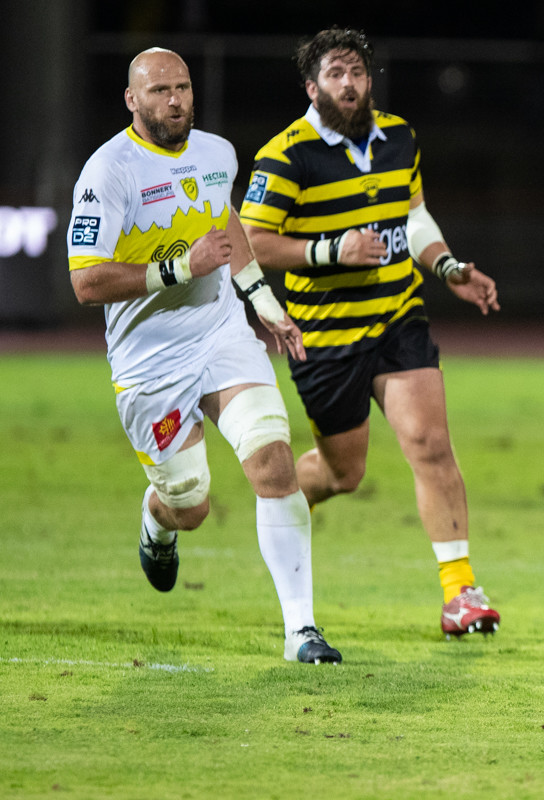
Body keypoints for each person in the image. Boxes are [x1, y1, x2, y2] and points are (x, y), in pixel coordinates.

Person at [66, 48, 341, 664]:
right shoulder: (107, 172)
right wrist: (177, 268)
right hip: (150, 366)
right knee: (191, 504)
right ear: (132, 100)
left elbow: (229, 229)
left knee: (273, 460)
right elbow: (85, 282)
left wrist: (263, 303)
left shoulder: (217, 154)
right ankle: (157, 522)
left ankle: (302, 630)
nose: (176, 100)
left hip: (222, 338)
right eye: (160, 90)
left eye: (183, 87)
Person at [239, 27, 501, 638]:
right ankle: (276, 501)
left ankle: (460, 593)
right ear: (313, 87)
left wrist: (448, 267)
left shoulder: (399, 136)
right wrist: (332, 250)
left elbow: (412, 216)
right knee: (342, 474)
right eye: (336, 74)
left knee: (431, 445)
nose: (350, 84)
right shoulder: (286, 154)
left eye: (357, 72)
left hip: (397, 316)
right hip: (326, 334)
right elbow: (249, 242)